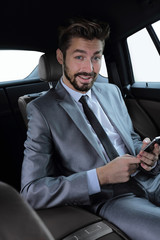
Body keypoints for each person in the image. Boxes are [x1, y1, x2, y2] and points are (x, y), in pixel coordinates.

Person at [21, 18, 160, 240]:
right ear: (60, 57)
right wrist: (100, 176)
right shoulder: (41, 110)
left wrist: (146, 156)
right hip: (110, 198)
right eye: (79, 57)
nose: (89, 68)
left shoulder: (112, 92)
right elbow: (31, 191)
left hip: (150, 178)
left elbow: (130, 139)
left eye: (96, 58)